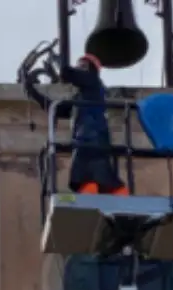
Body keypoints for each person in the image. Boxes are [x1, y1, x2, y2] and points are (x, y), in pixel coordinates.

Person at [23, 53, 129, 196]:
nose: (79, 68)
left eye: (83, 65)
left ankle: (113, 195)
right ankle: (102, 195)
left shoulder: (93, 81)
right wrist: (33, 91)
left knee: (88, 174)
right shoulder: (81, 97)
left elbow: (68, 73)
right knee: (93, 174)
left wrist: (57, 61)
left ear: (91, 69)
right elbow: (57, 108)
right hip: (88, 139)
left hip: (90, 138)